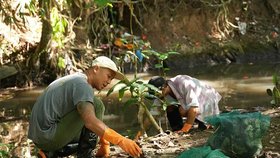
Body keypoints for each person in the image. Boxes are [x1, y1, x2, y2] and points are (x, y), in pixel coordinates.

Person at [28, 56, 142, 158]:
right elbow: (90, 122)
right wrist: (121, 140)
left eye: (111, 79)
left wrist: (104, 143)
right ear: (96, 69)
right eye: (108, 76)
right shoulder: (83, 85)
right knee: (96, 105)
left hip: (41, 136)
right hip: (48, 136)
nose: (109, 82)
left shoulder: (75, 79)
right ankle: (85, 155)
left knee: (93, 129)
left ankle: (50, 153)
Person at [147, 75, 221, 133]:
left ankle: (204, 122)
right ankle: (177, 129)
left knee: (183, 111)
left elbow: (194, 108)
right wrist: (139, 134)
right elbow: (153, 115)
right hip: (193, 104)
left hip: (207, 100)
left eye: (156, 93)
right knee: (171, 107)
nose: (156, 96)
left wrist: (185, 129)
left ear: (164, 87)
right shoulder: (162, 93)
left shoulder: (183, 83)